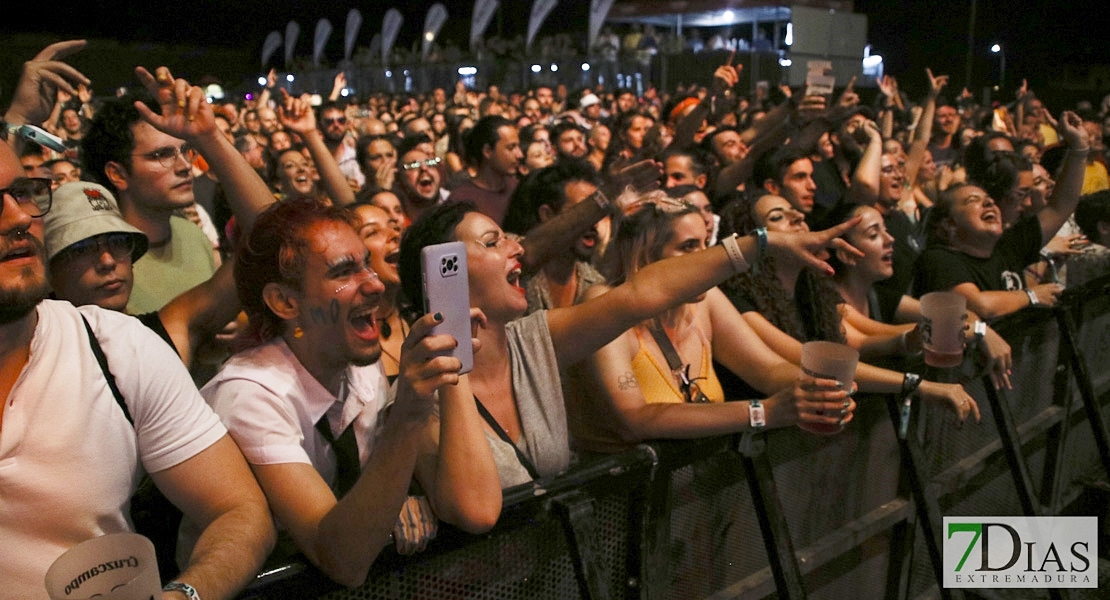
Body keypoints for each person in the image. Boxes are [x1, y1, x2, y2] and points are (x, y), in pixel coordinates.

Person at [0, 97, 275, 599]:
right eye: (82, 249)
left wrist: (183, 594)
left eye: (25, 193)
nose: (17, 216)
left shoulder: (124, 346)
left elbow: (240, 511)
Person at [399, 193, 866, 488]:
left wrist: (761, 243)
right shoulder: (419, 397)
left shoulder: (533, 340)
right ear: (446, 272)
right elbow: (478, 511)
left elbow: (643, 293)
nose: (517, 248)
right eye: (493, 241)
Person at [202, 198, 501, 587]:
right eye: (344, 271)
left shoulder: (355, 360)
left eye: (366, 262)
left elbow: (381, 496)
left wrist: (397, 501)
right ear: (285, 302)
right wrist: (409, 413)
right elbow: (343, 559)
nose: (376, 283)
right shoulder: (251, 396)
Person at [566, 195, 857, 454]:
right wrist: (763, 412)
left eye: (706, 242)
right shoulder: (604, 301)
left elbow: (767, 369)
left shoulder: (707, 300)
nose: (705, 257)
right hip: (619, 501)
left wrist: (817, 391)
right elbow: (633, 419)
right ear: (645, 258)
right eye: (688, 246)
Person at [716, 193, 981, 418]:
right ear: (749, 241)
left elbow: (860, 341)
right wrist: (916, 385)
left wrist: (913, 338)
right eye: (777, 217)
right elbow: (814, 361)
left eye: (794, 211)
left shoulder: (814, 290)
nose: (797, 217)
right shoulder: (738, 301)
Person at [913, 112, 1090, 319]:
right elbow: (978, 305)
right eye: (972, 201)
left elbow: (1060, 206)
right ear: (949, 224)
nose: (988, 202)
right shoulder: (939, 259)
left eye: (987, 199)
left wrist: (1079, 148)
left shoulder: (1008, 246)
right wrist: (1030, 296)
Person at [449, 116, 522, 225]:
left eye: (518, 146)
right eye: (511, 148)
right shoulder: (461, 199)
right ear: (487, 151)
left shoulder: (518, 188)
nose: (519, 154)